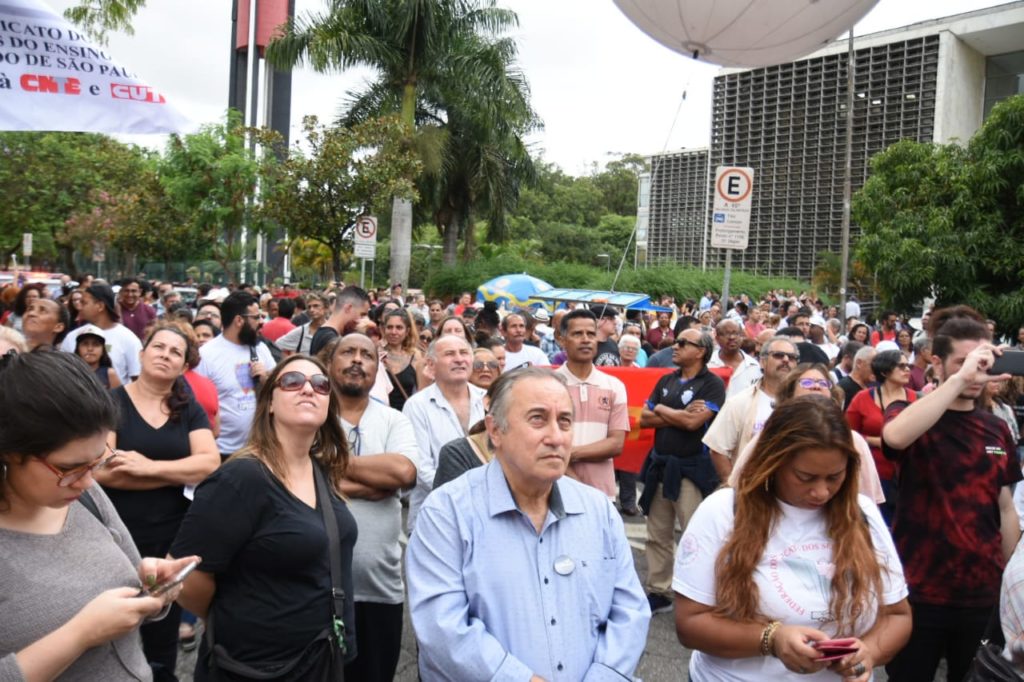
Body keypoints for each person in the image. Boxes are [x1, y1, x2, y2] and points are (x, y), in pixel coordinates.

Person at [406, 367, 651, 679]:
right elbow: (443, 628)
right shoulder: (447, 512)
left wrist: (605, 675)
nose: (556, 437)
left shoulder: (599, 510)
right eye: (537, 418)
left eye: (565, 421)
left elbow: (629, 611)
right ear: (495, 430)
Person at [675, 396, 911, 681]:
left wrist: (868, 652)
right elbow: (689, 623)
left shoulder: (863, 514)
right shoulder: (723, 511)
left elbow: (897, 615)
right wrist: (770, 639)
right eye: (805, 477)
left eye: (834, 477)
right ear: (772, 462)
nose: (822, 492)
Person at [0, 350, 199, 681]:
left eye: (96, 462)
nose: (88, 480)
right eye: (68, 468)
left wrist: (151, 585)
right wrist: (80, 634)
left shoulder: (84, 494)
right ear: (9, 451)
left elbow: (131, 579)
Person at [170, 355, 358, 679]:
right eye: (292, 381)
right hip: (255, 668)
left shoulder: (319, 470)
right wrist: (239, 621)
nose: (308, 389)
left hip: (321, 659)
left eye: (320, 384)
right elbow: (186, 577)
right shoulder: (242, 478)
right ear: (269, 402)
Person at [882, 306, 1023, 681]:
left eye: (982, 361)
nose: (976, 371)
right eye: (963, 361)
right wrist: (959, 381)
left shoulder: (996, 428)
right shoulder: (911, 412)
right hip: (919, 591)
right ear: (938, 364)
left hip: (980, 593)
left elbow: (1005, 505)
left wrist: (1008, 575)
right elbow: (894, 437)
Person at [95, 324, 219, 679]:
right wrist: (179, 471)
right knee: (115, 626)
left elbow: (209, 463)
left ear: (183, 366)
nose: (165, 354)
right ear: (142, 353)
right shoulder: (113, 401)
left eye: (175, 352)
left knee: (161, 628)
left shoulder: (187, 407)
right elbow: (103, 469)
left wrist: (147, 466)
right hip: (117, 537)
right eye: (159, 347)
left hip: (170, 538)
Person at [327, 334, 419, 682]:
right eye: (347, 352)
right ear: (330, 363)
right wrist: (373, 481)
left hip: (380, 589)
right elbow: (296, 479)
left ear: (376, 368)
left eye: (366, 354)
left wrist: (327, 465)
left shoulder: (395, 421)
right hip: (316, 588)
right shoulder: (311, 418)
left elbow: (403, 472)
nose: (357, 360)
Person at [639, 328, 726, 614]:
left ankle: (700, 593)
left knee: (695, 535)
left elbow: (693, 424)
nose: (674, 346)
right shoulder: (667, 379)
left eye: (682, 343)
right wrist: (675, 412)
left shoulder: (711, 384)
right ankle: (658, 590)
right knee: (657, 533)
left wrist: (662, 410)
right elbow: (644, 418)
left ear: (700, 351)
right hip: (661, 464)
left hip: (691, 470)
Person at [728, 363, 886, 506]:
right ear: (789, 394)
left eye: (823, 383)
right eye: (807, 383)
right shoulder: (770, 437)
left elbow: (869, 501)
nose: (816, 387)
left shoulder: (853, 440)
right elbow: (739, 487)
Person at [403, 335, 486, 533]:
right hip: (434, 516)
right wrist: (464, 498)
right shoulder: (417, 406)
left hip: (484, 516)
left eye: (464, 353)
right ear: (431, 365)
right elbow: (422, 469)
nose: (459, 359)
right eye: (449, 354)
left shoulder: (487, 400)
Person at [554, 309, 630, 498]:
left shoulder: (614, 386)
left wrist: (569, 454)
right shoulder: (549, 385)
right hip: (553, 490)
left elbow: (616, 444)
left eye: (591, 334)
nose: (586, 339)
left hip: (602, 494)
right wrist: (575, 483)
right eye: (577, 334)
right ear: (562, 340)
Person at [703, 336, 799, 482]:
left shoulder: (804, 404)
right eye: (778, 355)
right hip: (750, 489)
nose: (786, 360)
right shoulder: (739, 402)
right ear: (763, 361)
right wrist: (733, 487)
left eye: (792, 357)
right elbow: (718, 449)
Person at [195, 291, 276, 458]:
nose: (261, 322)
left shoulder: (260, 349)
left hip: (258, 450)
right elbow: (198, 406)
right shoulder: (206, 355)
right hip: (220, 452)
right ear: (239, 320)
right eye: (256, 317)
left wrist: (265, 379)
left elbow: (278, 390)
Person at [845, 350, 916, 524]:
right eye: (901, 366)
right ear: (884, 371)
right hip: (873, 473)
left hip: (907, 475)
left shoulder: (915, 397)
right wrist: (876, 440)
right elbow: (846, 433)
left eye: (908, 366)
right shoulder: (862, 398)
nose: (907, 370)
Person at [61, 283, 143, 384]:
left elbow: (137, 378)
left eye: (84, 303)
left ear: (100, 306)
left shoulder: (128, 339)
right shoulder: (72, 337)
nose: (80, 307)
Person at [379, 308, 426, 412]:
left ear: (407, 331)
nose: (393, 332)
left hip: (405, 416)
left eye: (399, 328)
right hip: (379, 416)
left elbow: (422, 392)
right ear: (383, 329)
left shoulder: (415, 356)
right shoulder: (375, 352)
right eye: (389, 327)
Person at [309, 286, 371, 356]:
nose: (363, 320)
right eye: (362, 314)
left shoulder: (325, 334)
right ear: (348, 308)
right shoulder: (330, 339)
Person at [709, 318, 762, 398]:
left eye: (736, 333)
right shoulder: (707, 363)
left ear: (742, 336)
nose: (732, 337)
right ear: (717, 338)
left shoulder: (754, 366)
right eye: (726, 333)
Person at [74, 324, 122, 390]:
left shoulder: (110, 374)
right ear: (78, 349)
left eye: (96, 344)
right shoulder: (71, 372)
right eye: (85, 344)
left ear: (103, 350)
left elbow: (119, 399)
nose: (90, 349)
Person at [838, 345, 876, 411]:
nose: (876, 369)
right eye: (873, 365)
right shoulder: (843, 388)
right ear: (859, 363)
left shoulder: (872, 387)